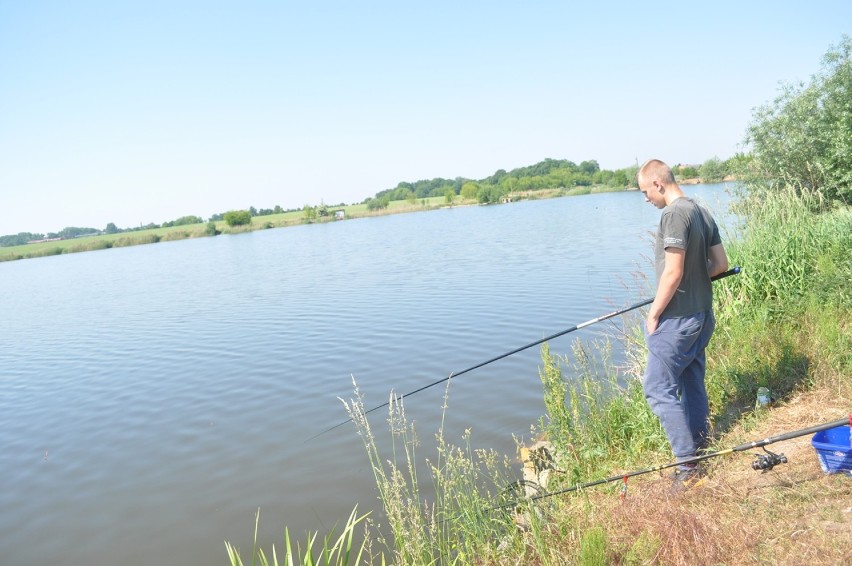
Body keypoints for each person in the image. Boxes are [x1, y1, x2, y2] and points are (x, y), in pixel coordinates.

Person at [637, 159, 729, 489]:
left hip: (677, 320)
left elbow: (673, 272)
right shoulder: (702, 210)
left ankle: (687, 466)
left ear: (658, 184)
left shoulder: (674, 214)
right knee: (691, 379)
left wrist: (653, 313)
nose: (645, 198)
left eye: (645, 191)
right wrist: (693, 275)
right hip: (702, 315)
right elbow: (720, 264)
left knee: (657, 388)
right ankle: (699, 446)